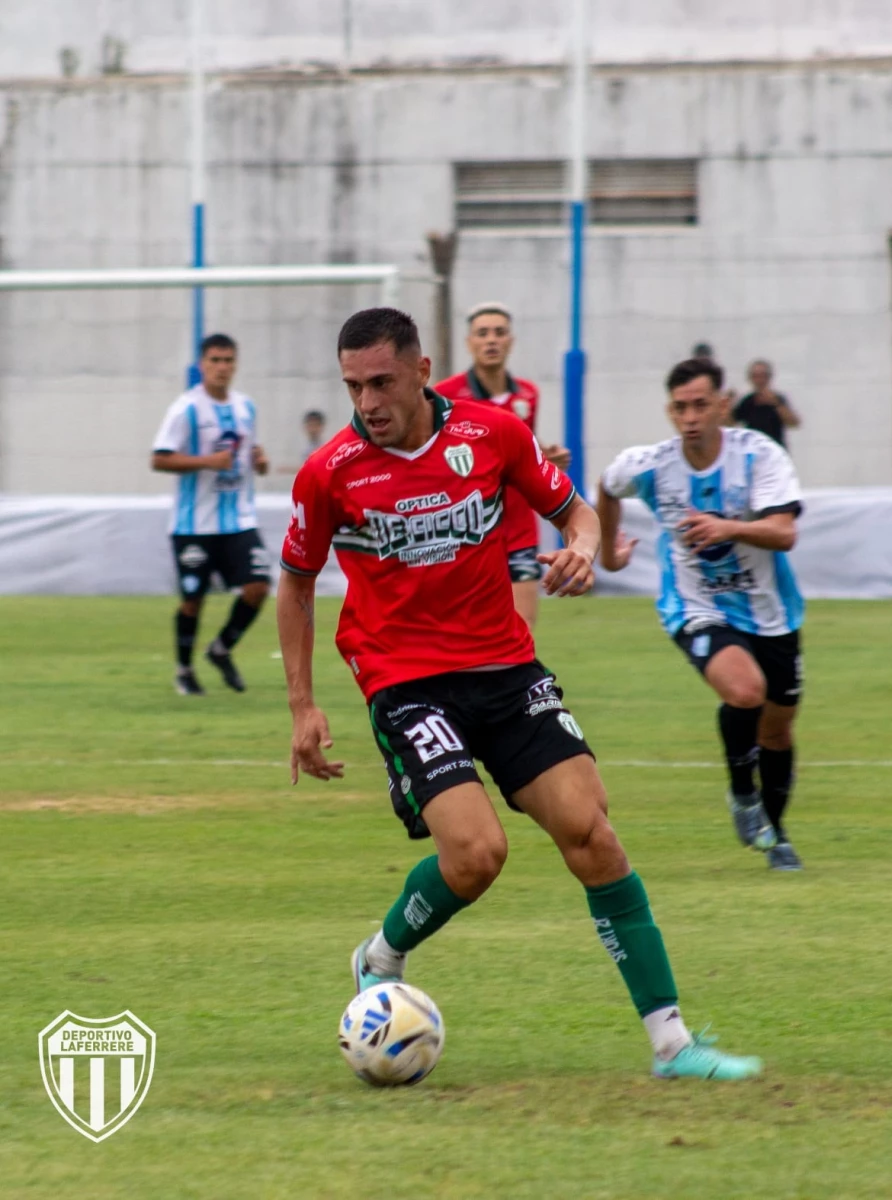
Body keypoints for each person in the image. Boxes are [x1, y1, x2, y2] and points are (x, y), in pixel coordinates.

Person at [277, 307, 763, 1081]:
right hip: (405, 680)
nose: (366, 402)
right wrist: (303, 705)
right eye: (352, 386)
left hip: (504, 666)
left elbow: (569, 508)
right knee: (475, 856)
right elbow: (296, 585)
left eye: (380, 382)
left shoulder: (491, 433)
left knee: (592, 835)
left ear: (421, 369)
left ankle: (673, 1045)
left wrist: (577, 547)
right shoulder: (329, 470)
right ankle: (382, 952)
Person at [596, 357, 804, 870]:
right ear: (670, 411)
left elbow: (785, 532)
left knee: (777, 730)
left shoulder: (758, 456)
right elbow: (606, 484)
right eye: (680, 407)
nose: (690, 417)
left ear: (723, 405)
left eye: (700, 405)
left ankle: (775, 834)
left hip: (771, 610)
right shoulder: (652, 465)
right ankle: (742, 795)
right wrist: (607, 552)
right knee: (745, 690)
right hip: (695, 605)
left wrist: (726, 527)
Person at [435, 303, 571, 629]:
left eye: (499, 332)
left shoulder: (528, 394)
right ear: (469, 342)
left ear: (511, 340)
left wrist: (545, 458)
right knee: (468, 632)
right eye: (483, 333)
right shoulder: (444, 396)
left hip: (519, 528)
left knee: (522, 633)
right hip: (469, 530)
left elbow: (523, 450)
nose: (491, 340)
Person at [151, 333, 271, 696]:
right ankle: (184, 670)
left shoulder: (246, 407)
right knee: (193, 599)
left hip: (238, 519)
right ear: (202, 365)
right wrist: (206, 461)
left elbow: (249, 452)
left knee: (258, 586)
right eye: (215, 360)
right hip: (194, 525)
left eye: (228, 360)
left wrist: (259, 462)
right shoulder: (185, 409)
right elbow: (159, 457)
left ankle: (221, 649)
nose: (222, 367)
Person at [733, 359, 800, 449]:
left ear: (769, 378)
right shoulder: (747, 401)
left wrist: (776, 404)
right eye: (756, 376)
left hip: (775, 451)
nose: (760, 380)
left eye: (763, 376)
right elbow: (730, 422)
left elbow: (794, 423)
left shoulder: (778, 399)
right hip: (754, 451)